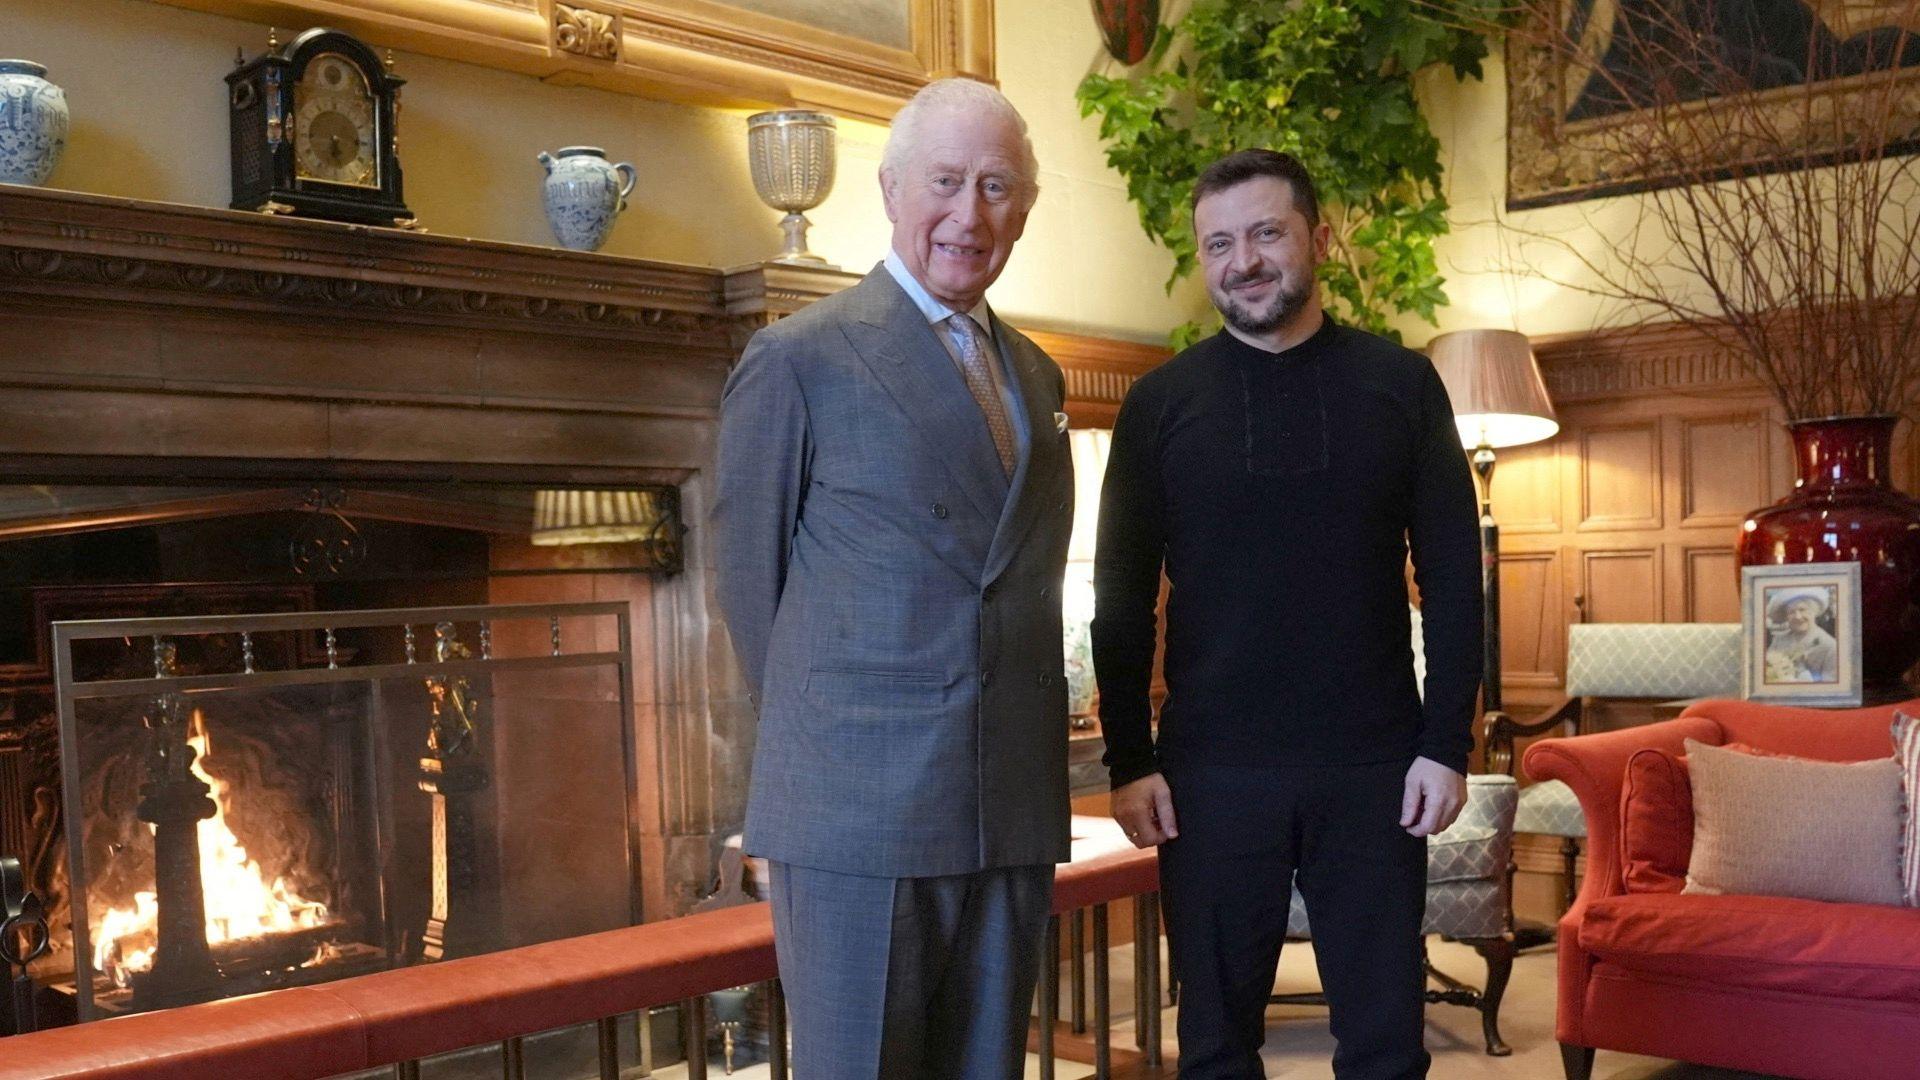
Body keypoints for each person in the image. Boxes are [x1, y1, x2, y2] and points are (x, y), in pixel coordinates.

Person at [1090, 149, 1484, 1080]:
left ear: (1318, 234)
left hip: (1376, 767)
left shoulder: (1402, 385)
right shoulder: (1158, 406)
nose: (1244, 261)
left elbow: (1456, 576)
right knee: (1217, 1047)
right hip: (1210, 776)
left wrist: (1446, 742)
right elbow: (1119, 596)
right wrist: (1129, 758)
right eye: (1219, 243)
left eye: (1266, 232)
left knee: (1387, 1047)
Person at [712, 77, 1074, 1080]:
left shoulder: (1038, 377)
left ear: (1026, 209)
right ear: (890, 190)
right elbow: (751, 589)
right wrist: (830, 744)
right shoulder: (800, 358)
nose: (971, 213)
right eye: (946, 182)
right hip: (857, 809)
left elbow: (1021, 584)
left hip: (1006, 801)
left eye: (998, 186)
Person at [1765, 589, 1838, 682]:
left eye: (1802, 610)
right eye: (1791, 612)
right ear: (1786, 616)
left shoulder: (1830, 646)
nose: (1798, 616)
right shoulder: (1778, 640)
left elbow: (1831, 688)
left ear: (1814, 611)